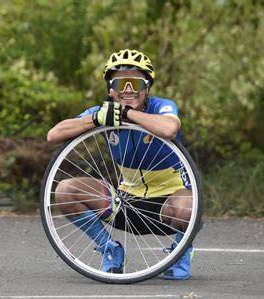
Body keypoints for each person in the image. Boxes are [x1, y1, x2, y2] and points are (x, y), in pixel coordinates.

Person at [47, 49, 195, 280]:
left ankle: (181, 250)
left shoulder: (161, 106)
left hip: (170, 204)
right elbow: (54, 134)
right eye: (120, 83)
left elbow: (169, 129)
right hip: (126, 202)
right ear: (110, 90)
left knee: (189, 206)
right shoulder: (104, 113)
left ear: (147, 88)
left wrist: (127, 114)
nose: (128, 90)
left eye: (135, 84)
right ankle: (111, 250)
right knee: (66, 190)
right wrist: (94, 120)